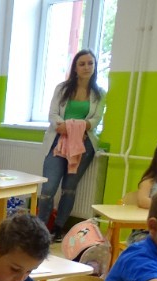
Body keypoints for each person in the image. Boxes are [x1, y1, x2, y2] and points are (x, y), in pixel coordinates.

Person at [37, 49, 106, 241]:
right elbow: (53, 115)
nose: (86, 67)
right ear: (75, 67)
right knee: (48, 188)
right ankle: (40, 228)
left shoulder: (99, 93)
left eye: (90, 63)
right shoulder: (62, 88)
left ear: (95, 67)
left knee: (69, 188)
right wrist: (67, 127)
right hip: (57, 141)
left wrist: (76, 128)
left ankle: (59, 228)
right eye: (82, 64)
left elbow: (95, 120)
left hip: (84, 144)